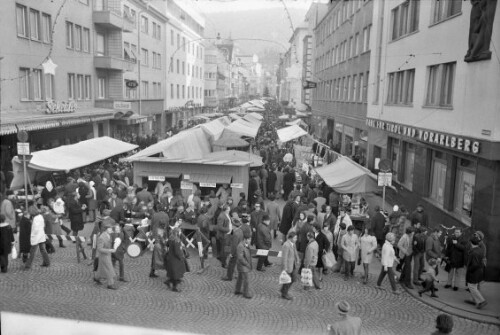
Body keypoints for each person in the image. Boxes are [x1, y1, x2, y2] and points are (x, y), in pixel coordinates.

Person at [465, 232, 487, 309]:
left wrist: (469, 269)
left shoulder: (474, 252)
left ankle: (481, 301)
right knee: (474, 286)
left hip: (474, 272)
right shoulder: (479, 249)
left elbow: (474, 264)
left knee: (472, 287)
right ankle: (476, 300)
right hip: (478, 271)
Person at [94, 221, 118, 290]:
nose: (111, 230)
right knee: (109, 269)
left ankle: (96, 277)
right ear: (106, 229)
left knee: (101, 268)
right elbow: (99, 249)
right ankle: (110, 284)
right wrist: (110, 250)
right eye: (110, 229)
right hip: (104, 256)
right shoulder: (101, 237)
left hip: (108, 255)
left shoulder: (108, 235)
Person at [165, 227, 186, 292]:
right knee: (175, 273)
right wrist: (181, 257)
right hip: (175, 259)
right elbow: (177, 252)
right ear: (177, 232)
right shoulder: (177, 240)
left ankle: (168, 281)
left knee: (173, 272)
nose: (180, 233)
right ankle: (174, 287)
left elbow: (167, 244)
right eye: (179, 232)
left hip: (170, 257)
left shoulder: (171, 238)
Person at [280, 231, 300, 300]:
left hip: (293, 264)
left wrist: (297, 259)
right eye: (295, 238)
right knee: (288, 280)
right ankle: (285, 293)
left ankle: (283, 290)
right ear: (291, 238)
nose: (296, 239)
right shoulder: (286, 245)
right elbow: (284, 257)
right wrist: (285, 267)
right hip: (288, 266)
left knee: (293, 279)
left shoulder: (293, 243)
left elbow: (295, 252)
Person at [235, 230, 253, 299]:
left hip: (243, 265)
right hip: (243, 266)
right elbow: (240, 257)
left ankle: (237, 290)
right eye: (249, 239)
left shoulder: (246, 244)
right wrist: (247, 264)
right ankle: (246, 293)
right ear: (245, 239)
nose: (250, 240)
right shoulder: (240, 246)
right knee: (246, 280)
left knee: (240, 278)